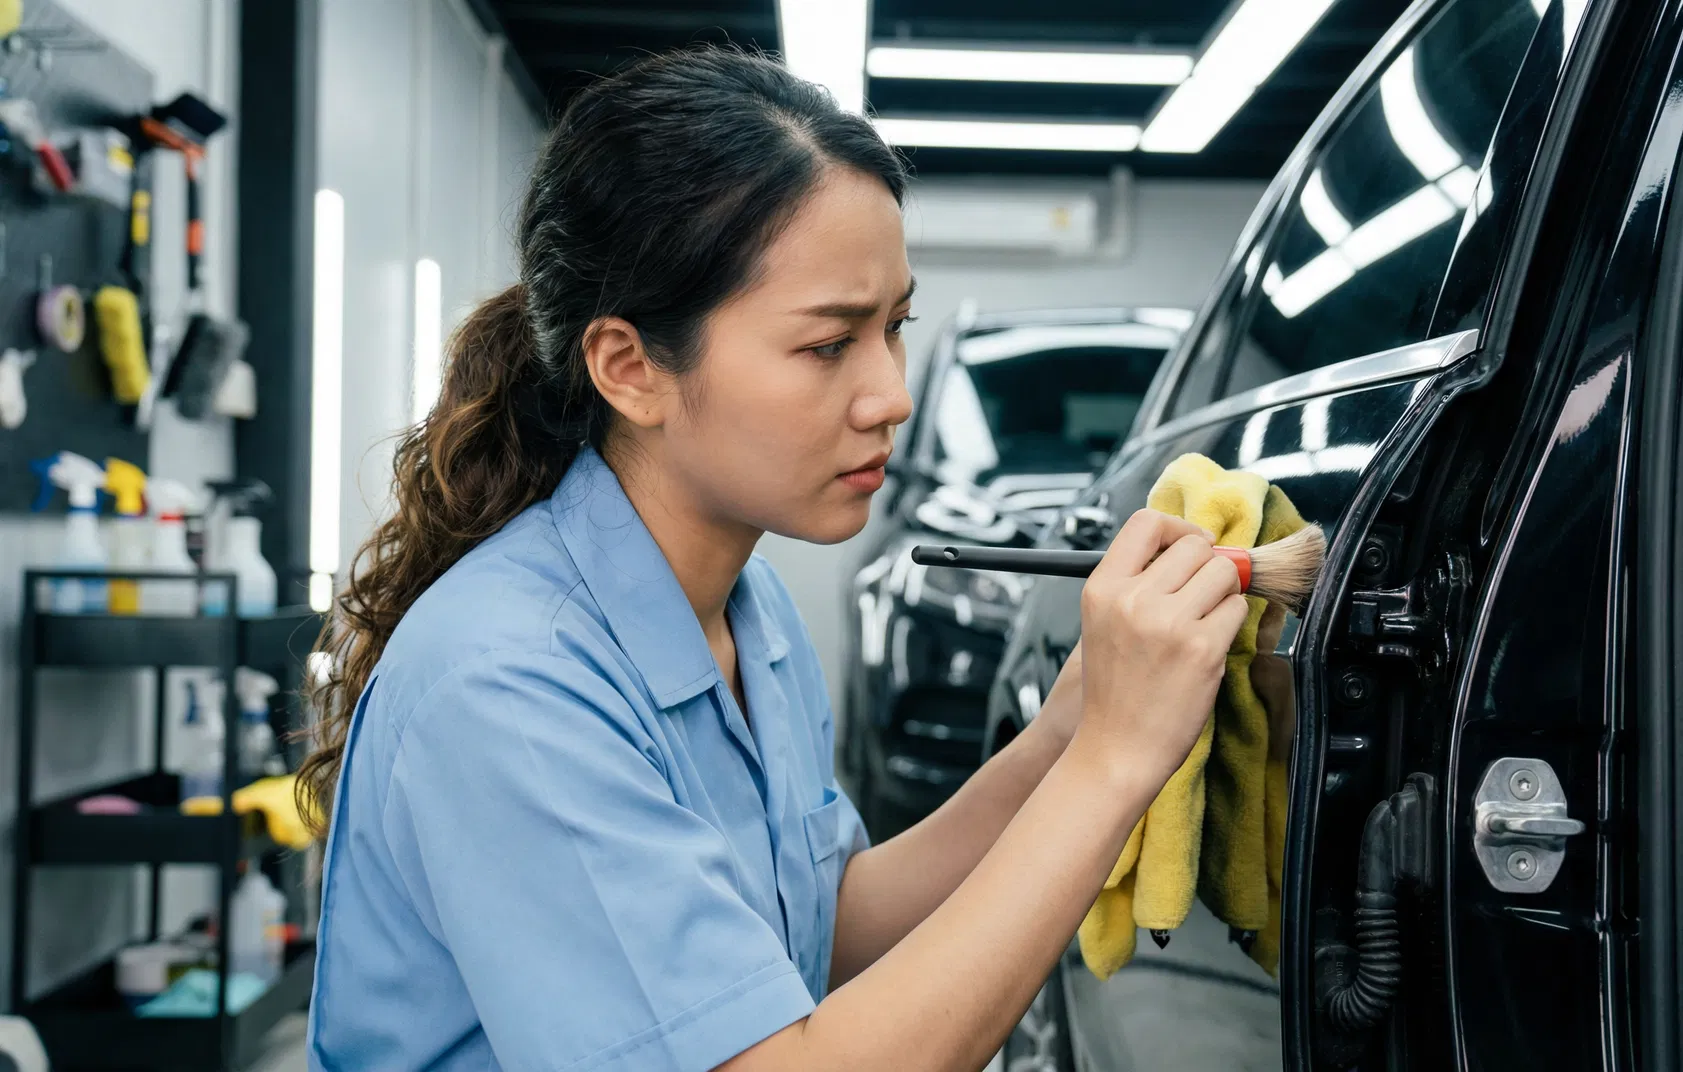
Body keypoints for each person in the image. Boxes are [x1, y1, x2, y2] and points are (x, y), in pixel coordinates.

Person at [301, 48, 1247, 1072]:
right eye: (829, 345)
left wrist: (1065, 733)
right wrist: (1112, 765)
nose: (892, 395)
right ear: (630, 368)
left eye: (895, 328)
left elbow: (818, 925)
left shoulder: (748, 611)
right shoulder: (509, 684)